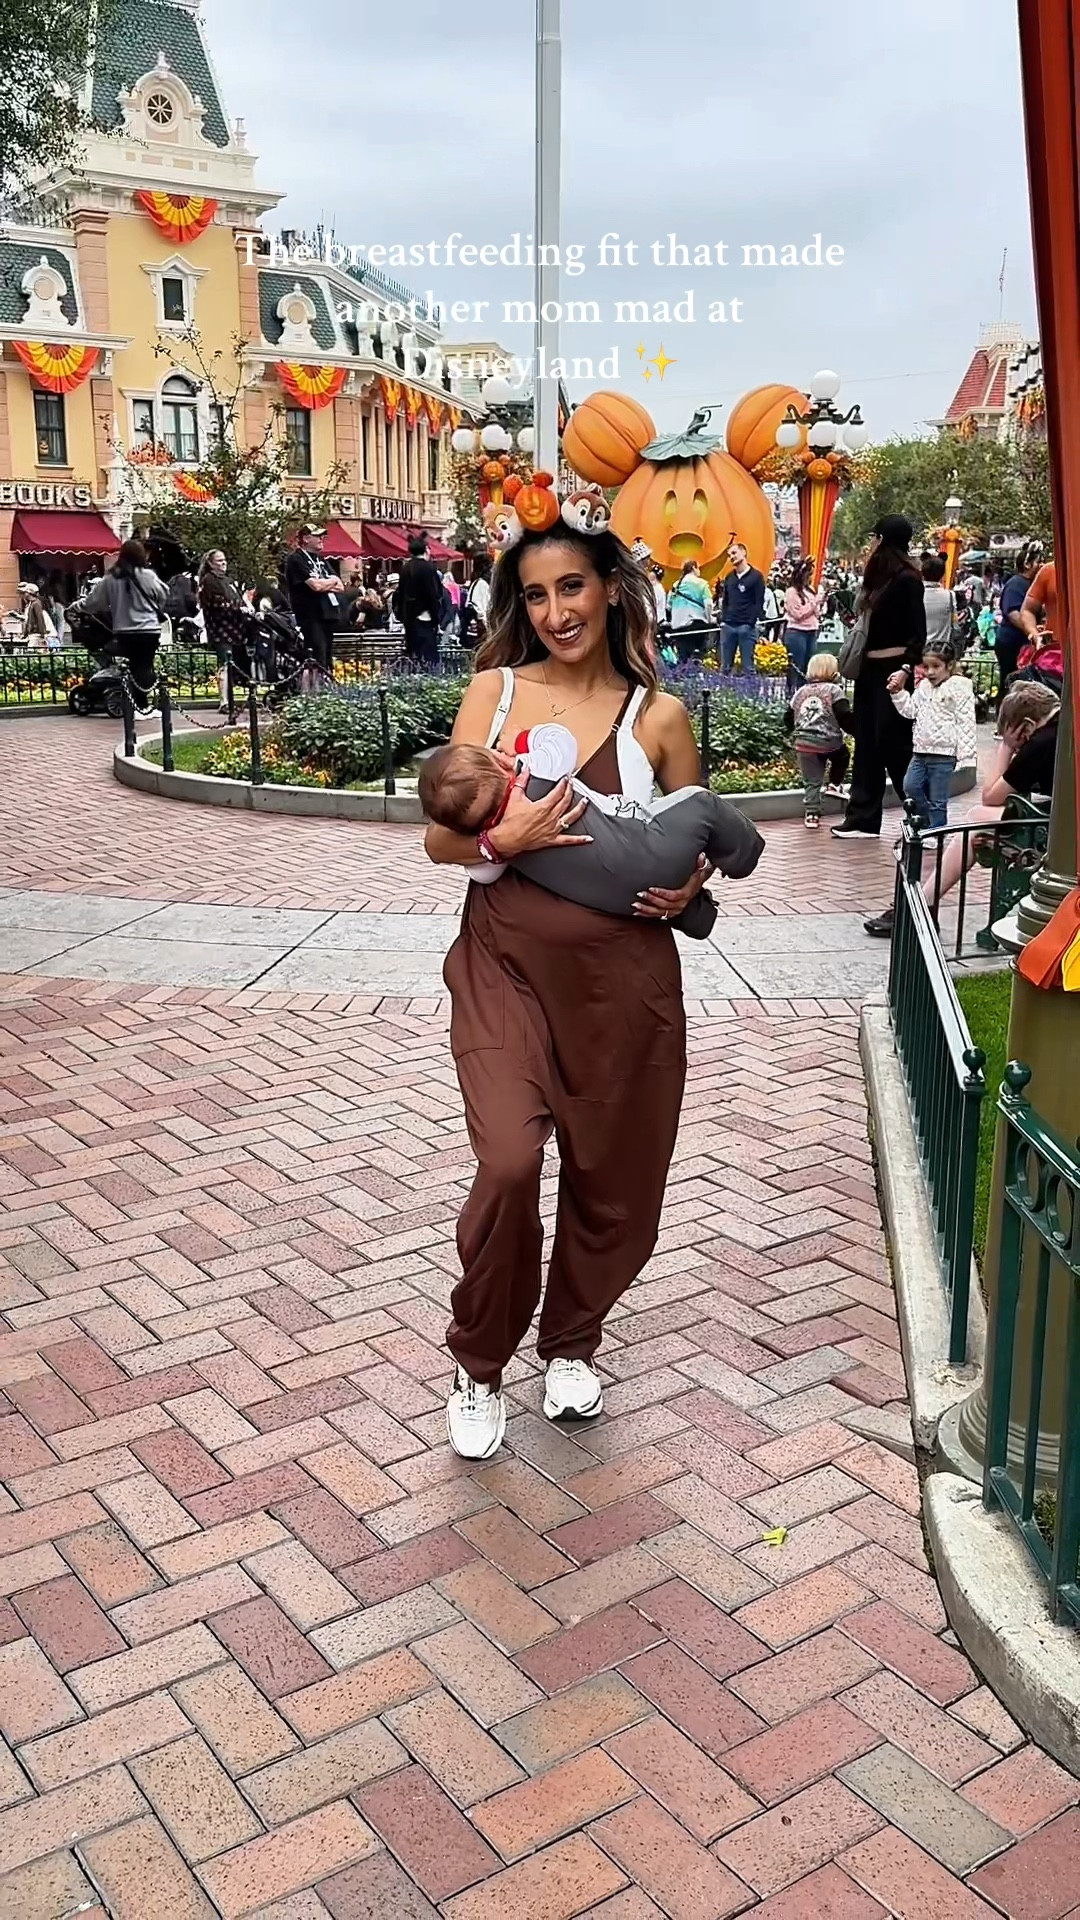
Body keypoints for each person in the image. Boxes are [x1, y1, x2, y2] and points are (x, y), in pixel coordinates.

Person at [424, 511, 717, 1458]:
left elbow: (693, 834)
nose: (555, 611)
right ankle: (478, 1363)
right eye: (537, 595)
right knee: (509, 1162)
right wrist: (495, 843)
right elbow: (438, 835)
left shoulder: (658, 718)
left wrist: (690, 889)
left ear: (610, 590)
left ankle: (573, 1343)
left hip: (624, 982)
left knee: (615, 1174)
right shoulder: (493, 693)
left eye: (572, 588)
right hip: (505, 967)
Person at [420, 732, 762, 932]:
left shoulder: (492, 859)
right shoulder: (535, 772)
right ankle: (745, 855)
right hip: (646, 842)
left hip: (616, 901)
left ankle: (696, 914)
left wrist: (495, 845)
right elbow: (560, 741)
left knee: (644, 891)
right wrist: (522, 742)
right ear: (498, 763)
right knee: (701, 803)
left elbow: (482, 872)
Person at [865, 681, 1058, 938]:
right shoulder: (1062, 728)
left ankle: (923, 904)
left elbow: (991, 796)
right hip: (1058, 817)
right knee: (979, 820)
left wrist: (1007, 746)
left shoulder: (1042, 742)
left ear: (1026, 725)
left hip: (1057, 827)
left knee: (976, 820)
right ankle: (925, 902)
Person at [832, 514, 926, 840]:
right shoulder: (878, 579)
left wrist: (905, 670)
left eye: (875, 538)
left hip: (893, 673)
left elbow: (918, 633)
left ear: (884, 540)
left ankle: (921, 816)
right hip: (869, 673)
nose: (870, 544)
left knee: (894, 743)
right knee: (868, 743)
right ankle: (862, 818)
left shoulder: (908, 580)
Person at [888, 640, 978, 829]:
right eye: (926, 667)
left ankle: (935, 831)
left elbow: (966, 721)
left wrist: (966, 756)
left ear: (950, 665)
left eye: (936, 666)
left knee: (938, 799)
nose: (930, 672)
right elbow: (911, 710)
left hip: (944, 754)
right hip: (920, 751)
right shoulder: (924, 687)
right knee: (910, 786)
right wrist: (898, 694)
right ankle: (923, 821)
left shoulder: (960, 688)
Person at [83, 539, 166, 710]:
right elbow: (163, 594)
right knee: (144, 665)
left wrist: (78, 606)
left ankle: (134, 701)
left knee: (135, 664)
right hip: (148, 629)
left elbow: (94, 602)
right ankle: (142, 705)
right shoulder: (147, 576)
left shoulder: (111, 578)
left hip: (124, 630)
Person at [784, 652, 854, 829]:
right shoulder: (834, 691)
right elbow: (844, 715)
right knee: (842, 756)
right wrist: (855, 730)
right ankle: (834, 784)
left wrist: (793, 731)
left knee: (812, 780)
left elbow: (788, 715)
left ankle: (812, 815)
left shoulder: (801, 691)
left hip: (804, 743)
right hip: (829, 740)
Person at [198, 550, 255, 712]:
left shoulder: (228, 580)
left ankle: (229, 700)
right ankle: (224, 702)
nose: (223, 563)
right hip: (220, 628)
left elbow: (237, 599)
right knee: (224, 663)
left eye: (224, 560)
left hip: (235, 628)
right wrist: (239, 609)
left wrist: (246, 607)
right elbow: (217, 604)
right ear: (210, 563)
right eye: (219, 560)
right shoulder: (209, 581)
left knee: (231, 665)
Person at [283, 526, 343, 674]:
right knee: (317, 653)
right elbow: (315, 586)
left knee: (327, 654)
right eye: (317, 536)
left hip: (327, 614)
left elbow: (340, 586)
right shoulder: (296, 559)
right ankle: (316, 691)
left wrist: (326, 583)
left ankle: (327, 687)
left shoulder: (321, 559)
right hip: (310, 615)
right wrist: (329, 582)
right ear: (306, 538)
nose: (322, 539)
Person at [995, 546, 1041, 693]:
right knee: (1011, 681)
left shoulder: (1030, 584)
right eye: (1038, 562)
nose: (1041, 565)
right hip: (1011, 643)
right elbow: (1013, 614)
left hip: (1022, 642)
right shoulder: (1016, 584)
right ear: (1027, 564)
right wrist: (1031, 632)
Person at [395, 533, 442, 667]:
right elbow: (432, 594)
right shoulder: (428, 568)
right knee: (429, 658)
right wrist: (436, 617)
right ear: (425, 549)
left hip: (409, 617)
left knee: (413, 657)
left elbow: (400, 593)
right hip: (425, 615)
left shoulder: (405, 568)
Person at [719, 540, 766, 675]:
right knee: (725, 667)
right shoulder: (729, 578)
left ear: (743, 552)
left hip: (746, 626)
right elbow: (726, 600)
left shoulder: (756, 577)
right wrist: (724, 620)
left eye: (734, 553)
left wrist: (751, 621)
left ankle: (750, 694)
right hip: (729, 626)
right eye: (729, 555)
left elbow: (759, 601)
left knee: (748, 667)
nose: (732, 557)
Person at [782, 558, 823, 686]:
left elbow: (816, 612)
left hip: (811, 631)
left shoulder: (810, 591)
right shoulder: (791, 592)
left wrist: (821, 602)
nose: (810, 578)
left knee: (809, 666)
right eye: (808, 575)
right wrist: (815, 602)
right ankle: (793, 693)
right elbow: (798, 614)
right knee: (797, 667)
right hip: (797, 632)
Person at [668, 559, 711, 659]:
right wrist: (709, 619)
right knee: (697, 657)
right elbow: (708, 604)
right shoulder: (701, 584)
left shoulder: (676, 585)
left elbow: (668, 605)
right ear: (693, 568)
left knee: (683, 658)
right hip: (696, 625)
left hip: (678, 627)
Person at [921, 553, 956, 654]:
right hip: (940, 652)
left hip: (918, 650)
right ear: (942, 573)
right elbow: (955, 623)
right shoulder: (949, 596)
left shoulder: (914, 594)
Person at [461, 558, 492, 646]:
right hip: (480, 626)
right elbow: (482, 607)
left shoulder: (477, 583)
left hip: (477, 624)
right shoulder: (481, 584)